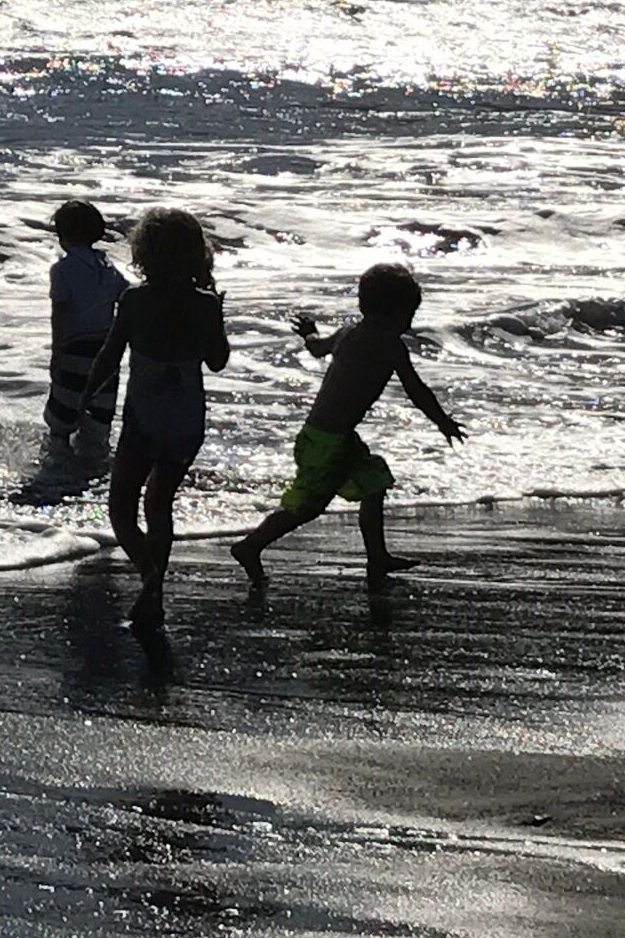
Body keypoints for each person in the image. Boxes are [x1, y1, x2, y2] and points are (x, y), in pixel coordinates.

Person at [231, 261, 465, 585]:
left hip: (331, 436)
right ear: (397, 313)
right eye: (409, 315)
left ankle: (378, 558)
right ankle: (250, 546)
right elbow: (416, 389)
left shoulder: (347, 333)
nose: (409, 323)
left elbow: (316, 348)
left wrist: (309, 331)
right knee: (308, 507)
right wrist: (443, 422)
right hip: (327, 441)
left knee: (374, 483)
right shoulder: (390, 345)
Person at [79, 207, 229, 628]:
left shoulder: (135, 300)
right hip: (186, 420)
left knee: (122, 510)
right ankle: (153, 588)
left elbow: (110, 354)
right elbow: (217, 361)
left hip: (144, 418)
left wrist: (86, 395)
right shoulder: (205, 305)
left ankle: (151, 580)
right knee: (160, 504)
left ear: (143, 253)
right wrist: (218, 314)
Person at [45, 201, 129, 444]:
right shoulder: (108, 267)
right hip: (105, 351)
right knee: (100, 414)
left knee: (63, 415)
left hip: (74, 348)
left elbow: (59, 313)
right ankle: (96, 461)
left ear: (63, 237)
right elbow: (127, 297)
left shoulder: (62, 269)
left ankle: (58, 462)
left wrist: (57, 353)